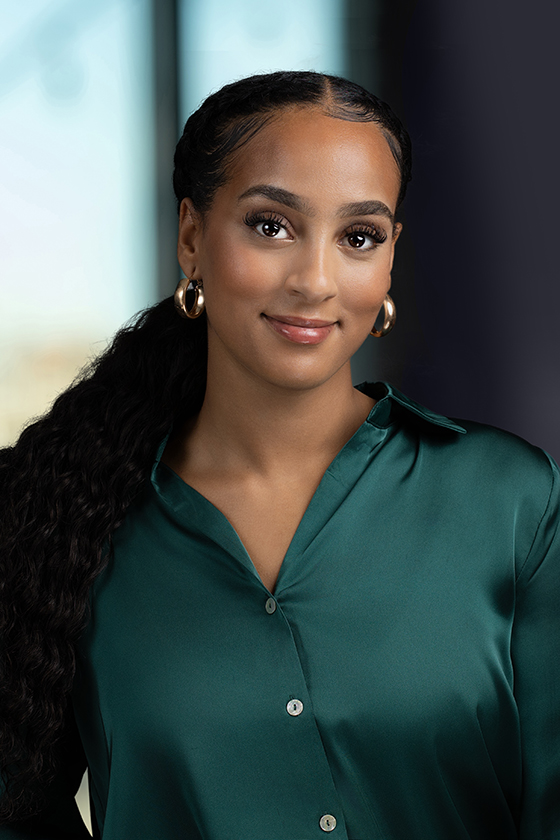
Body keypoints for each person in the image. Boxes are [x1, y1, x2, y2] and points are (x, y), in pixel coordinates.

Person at [1, 70, 559, 840]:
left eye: (358, 238)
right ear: (192, 237)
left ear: (391, 258)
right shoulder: (63, 520)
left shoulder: (514, 502)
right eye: (271, 226)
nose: (315, 281)